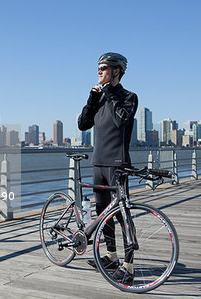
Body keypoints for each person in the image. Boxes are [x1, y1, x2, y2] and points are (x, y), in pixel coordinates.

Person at [78, 52, 138, 283]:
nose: (98, 71)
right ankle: (111, 255)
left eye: (103, 68)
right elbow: (83, 125)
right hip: (98, 162)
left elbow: (121, 120)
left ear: (116, 71)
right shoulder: (101, 97)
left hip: (117, 164)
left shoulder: (128, 97)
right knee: (103, 213)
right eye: (98, 68)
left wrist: (110, 92)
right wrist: (92, 100)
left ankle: (128, 266)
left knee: (122, 215)